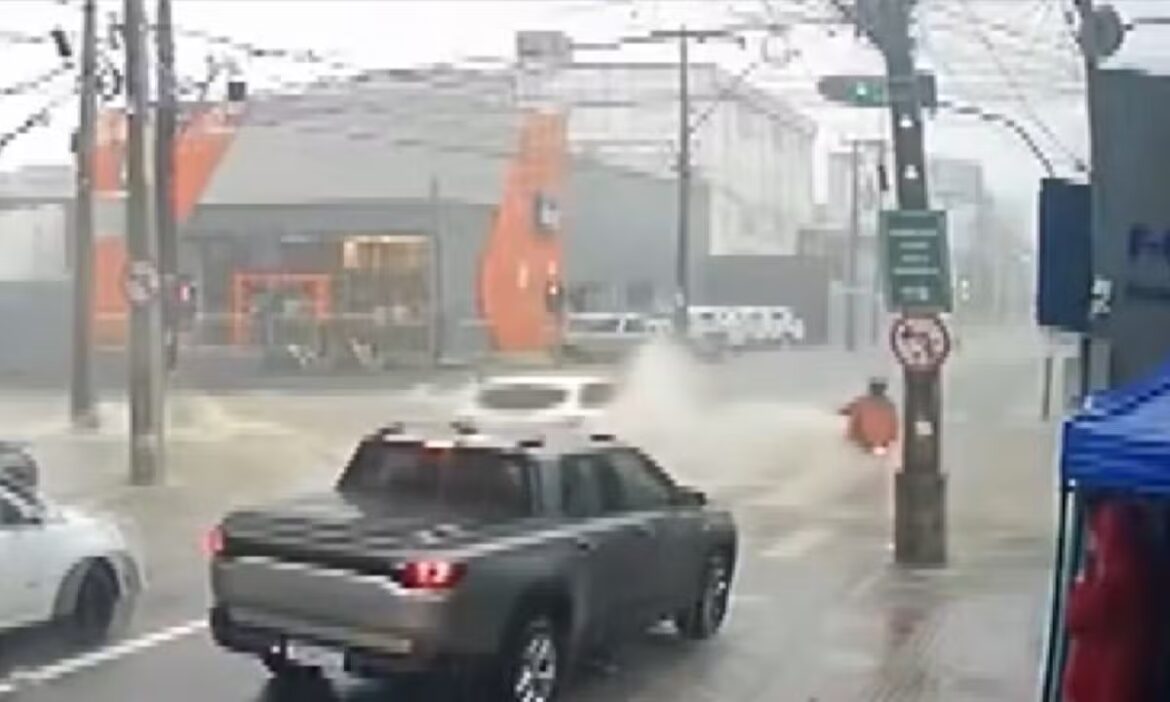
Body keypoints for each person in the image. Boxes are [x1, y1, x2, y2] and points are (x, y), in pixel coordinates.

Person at [1063, 500, 1155, 702]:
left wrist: (1085, 581)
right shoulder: (1136, 565)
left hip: (1105, 684)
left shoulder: (1114, 573)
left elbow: (1078, 615)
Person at [840, 378, 898, 453]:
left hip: (864, 440)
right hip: (880, 442)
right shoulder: (889, 404)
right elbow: (894, 424)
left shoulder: (862, 401)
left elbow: (846, 410)